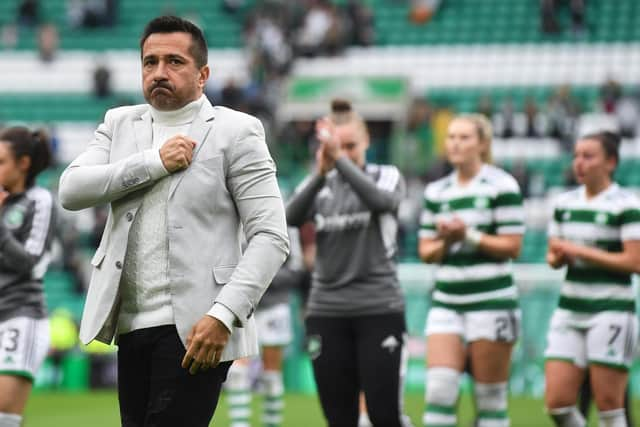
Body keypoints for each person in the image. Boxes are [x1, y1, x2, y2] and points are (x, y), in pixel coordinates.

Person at [57, 15, 289, 427]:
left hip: (198, 328)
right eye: (150, 62)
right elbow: (71, 190)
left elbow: (271, 236)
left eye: (174, 62)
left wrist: (224, 315)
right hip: (129, 326)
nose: (159, 72)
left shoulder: (238, 131)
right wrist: (153, 163)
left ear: (203, 75)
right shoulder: (118, 123)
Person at [286, 99, 409, 426]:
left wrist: (338, 158)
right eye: (339, 146)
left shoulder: (386, 175)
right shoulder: (320, 183)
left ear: (367, 141)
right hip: (327, 311)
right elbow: (290, 216)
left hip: (378, 307)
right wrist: (320, 173)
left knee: (384, 416)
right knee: (339, 418)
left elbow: (380, 201)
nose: (346, 152)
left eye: (351, 145)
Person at [418, 114, 525, 427]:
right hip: (446, 302)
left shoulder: (502, 185)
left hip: (492, 302)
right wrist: (449, 241)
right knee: (438, 392)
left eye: (464, 137)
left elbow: (513, 246)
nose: (455, 143)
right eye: (451, 137)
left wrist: (469, 235)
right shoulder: (436, 191)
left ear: (483, 144)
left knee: (490, 398)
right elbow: (426, 251)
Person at [544, 131, 639, 427]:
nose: (579, 163)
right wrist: (560, 257)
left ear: (610, 162)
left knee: (610, 406)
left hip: (611, 310)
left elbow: (634, 261)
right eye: (576, 156)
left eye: (588, 156)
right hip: (570, 310)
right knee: (557, 403)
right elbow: (552, 256)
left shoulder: (626, 204)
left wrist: (581, 252)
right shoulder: (564, 203)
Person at [0, 126, 55, 427]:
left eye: (0, 162)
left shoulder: (39, 200)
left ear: (23, 163)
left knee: (4, 418)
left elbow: (30, 263)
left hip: (19, 316)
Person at [226, 227, 308, 427]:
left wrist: (260, 278)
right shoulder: (234, 221)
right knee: (237, 371)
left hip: (274, 307)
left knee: (271, 374)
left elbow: (297, 272)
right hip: (242, 305)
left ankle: (271, 424)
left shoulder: (286, 223)